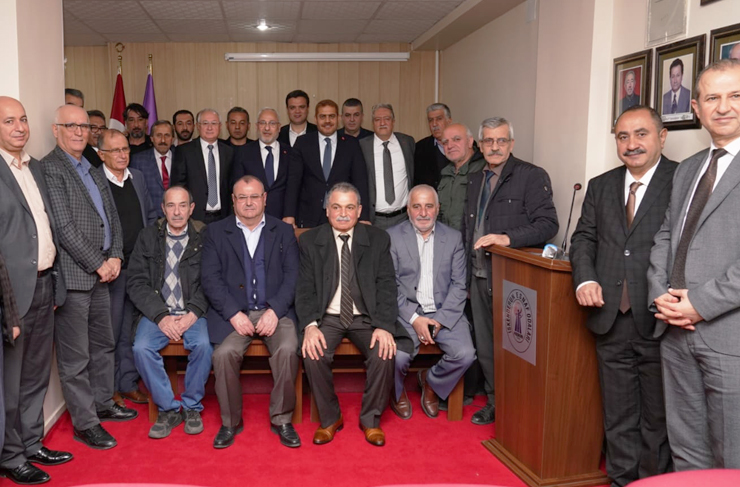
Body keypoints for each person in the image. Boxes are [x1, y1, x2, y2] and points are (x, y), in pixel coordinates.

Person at [570, 105, 675, 486]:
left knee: (657, 417)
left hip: (661, 317)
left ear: (661, 137)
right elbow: (584, 238)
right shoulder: (600, 185)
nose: (632, 144)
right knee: (618, 414)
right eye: (623, 136)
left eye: (641, 134)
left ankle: (652, 482)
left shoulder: (682, 179)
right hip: (610, 316)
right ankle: (621, 480)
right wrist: (585, 279)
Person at [648, 59, 740, 470]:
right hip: (674, 332)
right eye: (712, 98)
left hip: (729, 337)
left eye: (735, 95)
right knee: (686, 452)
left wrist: (699, 304)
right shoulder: (687, 169)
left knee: (731, 460)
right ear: (697, 108)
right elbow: (665, 236)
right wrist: (660, 295)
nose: (724, 107)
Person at [42, 104, 137, 450]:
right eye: (72, 126)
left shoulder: (92, 167)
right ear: (56, 130)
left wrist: (116, 255)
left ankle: (102, 402)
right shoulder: (51, 168)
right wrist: (99, 263)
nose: (80, 132)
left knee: (103, 344)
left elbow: (112, 216)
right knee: (76, 356)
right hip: (76, 275)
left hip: (103, 273)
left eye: (84, 126)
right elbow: (64, 227)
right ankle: (85, 423)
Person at [297, 183, 412, 447]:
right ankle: (330, 418)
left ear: (359, 211)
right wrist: (310, 326)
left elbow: (386, 286)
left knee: (384, 351)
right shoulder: (310, 241)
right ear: (327, 210)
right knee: (312, 352)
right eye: (336, 207)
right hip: (328, 316)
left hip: (366, 317)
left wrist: (384, 325)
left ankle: (370, 420)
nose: (343, 214)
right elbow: (304, 289)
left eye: (349, 207)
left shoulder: (378, 239)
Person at [461, 116, 558, 425]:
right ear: (480, 145)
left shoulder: (531, 175)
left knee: (513, 347)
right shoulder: (474, 179)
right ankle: (494, 402)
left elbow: (548, 224)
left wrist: (507, 238)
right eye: (489, 141)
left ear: (511, 143)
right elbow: (468, 229)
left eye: (501, 140)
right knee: (486, 346)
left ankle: (516, 406)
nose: (495, 147)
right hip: (478, 275)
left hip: (511, 278)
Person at [0, 97, 72, 485]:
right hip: (13, 295)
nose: (20, 127)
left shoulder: (36, 168)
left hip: (45, 284)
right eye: (9, 121)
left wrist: (56, 280)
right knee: (10, 383)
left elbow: (47, 227)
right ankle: (11, 456)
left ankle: (31, 442)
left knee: (36, 375)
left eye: (23, 119)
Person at [201, 176, 301, 449]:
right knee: (223, 355)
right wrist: (233, 313)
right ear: (233, 200)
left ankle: (282, 419)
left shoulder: (283, 231)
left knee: (288, 349)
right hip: (235, 314)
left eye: (254, 196)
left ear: (264, 199)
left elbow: (293, 276)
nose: (248, 202)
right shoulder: (216, 232)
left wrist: (275, 310)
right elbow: (210, 278)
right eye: (242, 197)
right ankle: (230, 422)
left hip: (275, 311)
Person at [128, 186, 212, 439]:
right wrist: (161, 316)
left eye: (182, 205)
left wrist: (193, 312)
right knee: (141, 348)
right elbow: (136, 282)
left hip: (193, 312)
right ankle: (168, 408)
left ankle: (192, 406)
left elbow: (213, 280)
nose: (177, 212)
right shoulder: (147, 237)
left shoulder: (205, 236)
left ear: (191, 208)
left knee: (204, 346)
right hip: (158, 312)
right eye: (171, 206)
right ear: (163, 209)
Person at [388, 185, 475, 420]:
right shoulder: (392, 237)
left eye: (429, 206)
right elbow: (389, 286)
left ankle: (431, 381)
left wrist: (440, 320)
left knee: (465, 354)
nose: (423, 213)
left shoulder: (453, 238)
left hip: (444, 311)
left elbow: (459, 285)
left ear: (438, 208)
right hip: (407, 313)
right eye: (417, 207)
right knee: (397, 356)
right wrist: (415, 319)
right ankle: (396, 392)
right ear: (408, 209)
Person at [98, 129, 157, 408]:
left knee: (132, 329)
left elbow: (150, 215)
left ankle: (128, 383)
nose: (123, 155)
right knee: (110, 331)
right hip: (112, 268)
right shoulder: (95, 181)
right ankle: (109, 389)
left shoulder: (138, 177)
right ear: (101, 154)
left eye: (125, 149)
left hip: (139, 267)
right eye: (116, 150)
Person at [284, 99, 369, 228]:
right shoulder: (303, 143)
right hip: (309, 215)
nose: (327, 121)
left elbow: (360, 181)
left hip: (342, 215)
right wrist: (289, 214)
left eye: (331, 116)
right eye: (323, 116)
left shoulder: (351, 144)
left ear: (338, 118)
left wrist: (363, 217)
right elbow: (293, 181)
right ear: (315, 119)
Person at [171, 109, 234, 223]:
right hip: (194, 218)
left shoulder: (228, 152)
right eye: (205, 123)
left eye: (214, 123)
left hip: (223, 218)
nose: (210, 128)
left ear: (220, 126)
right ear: (198, 126)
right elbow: (178, 187)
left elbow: (232, 186)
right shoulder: (185, 151)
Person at [358, 104, 415, 229]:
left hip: (404, 218)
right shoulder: (362, 146)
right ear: (373, 123)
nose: (382, 123)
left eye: (387, 119)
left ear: (393, 121)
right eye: (377, 119)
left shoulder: (407, 142)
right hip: (374, 220)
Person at [230, 108, 292, 219]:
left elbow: (293, 188)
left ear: (279, 127)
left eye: (272, 123)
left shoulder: (290, 153)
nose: (267, 128)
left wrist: (289, 214)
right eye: (263, 123)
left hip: (282, 218)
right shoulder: (243, 153)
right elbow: (238, 187)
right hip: (251, 217)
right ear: (257, 126)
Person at [437, 123, 485, 231]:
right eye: (445, 142)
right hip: (448, 237)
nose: (450, 146)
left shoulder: (483, 170)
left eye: (456, 139)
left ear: (470, 141)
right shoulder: (445, 173)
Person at [130, 120, 176, 218]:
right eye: (158, 135)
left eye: (167, 135)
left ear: (172, 139)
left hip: (177, 216)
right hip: (150, 219)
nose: (163, 140)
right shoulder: (138, 160)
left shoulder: (181, 157)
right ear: (151, 138)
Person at [414, 103, 452, 188]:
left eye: (439, 119)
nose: (434, 124)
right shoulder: (419, 148)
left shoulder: (462, 144)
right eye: (430, 120)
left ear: (449, 121)